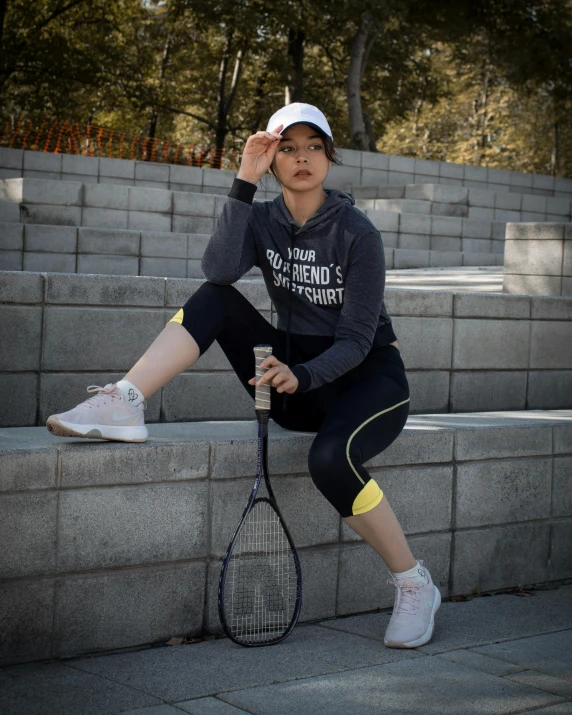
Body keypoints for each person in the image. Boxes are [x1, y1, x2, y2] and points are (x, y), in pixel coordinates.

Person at [46, 102, 440, 649]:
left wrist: (302, 374)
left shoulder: (357, 233)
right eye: (287, 148)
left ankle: (413, 583)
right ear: (272, 159)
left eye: (313, 147)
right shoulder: (262, 218)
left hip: (366, 381)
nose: (301, 158)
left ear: (329, 156)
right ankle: (126, 398)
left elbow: (354, 340)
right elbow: (219, 271)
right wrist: (243, 183)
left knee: (329, 459)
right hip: (292, 376)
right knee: (216, 298)